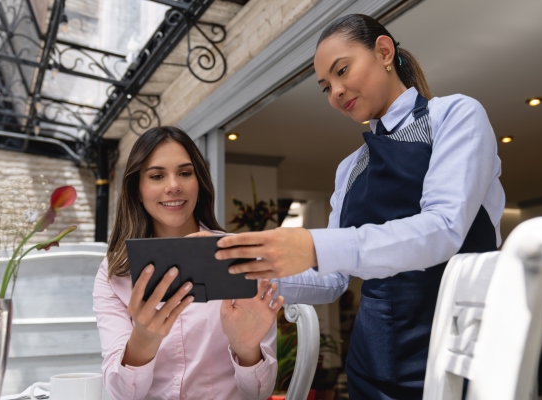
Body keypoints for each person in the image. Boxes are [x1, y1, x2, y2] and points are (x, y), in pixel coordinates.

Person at [213, 14, 505, 399]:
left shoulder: (454, 116)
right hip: (371, 363)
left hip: (457, 355)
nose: (335, 92)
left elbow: (443, 228)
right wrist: (240, 267)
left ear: (384, 52)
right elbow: (334, 279)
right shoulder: (350, 168)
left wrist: (314, 246)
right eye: (325, 86)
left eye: (342, 71)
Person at [93, 126, 284, 400]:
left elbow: (258, 393)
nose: (174, 186)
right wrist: (143, 342)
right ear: (137, 190)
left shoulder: (242, 255)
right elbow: (122, 394)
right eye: (157, 176)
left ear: (199, 182)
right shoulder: (114, 273)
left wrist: (246, 350)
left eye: (185, 173)